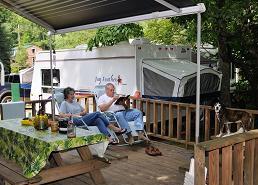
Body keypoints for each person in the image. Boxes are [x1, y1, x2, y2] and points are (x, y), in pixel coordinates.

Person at [59, 87, 126, 144]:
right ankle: (113, 127)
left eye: (73, 94)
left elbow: (85, 110)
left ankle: (108, 137)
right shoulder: (64, 103)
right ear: (67, 95)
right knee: (97, 113)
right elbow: (61, 115)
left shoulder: (75, 102)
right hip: (75, 121)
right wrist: (74, 115)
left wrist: (81, 113)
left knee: (98, 120)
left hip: (82, 118)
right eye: (71, 94)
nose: (73, 96)